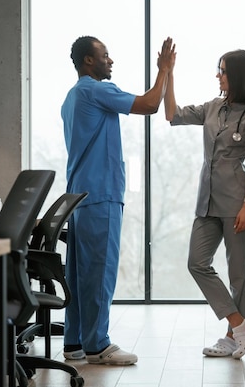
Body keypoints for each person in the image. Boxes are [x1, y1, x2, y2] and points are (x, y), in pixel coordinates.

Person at [61, 35, 176, 365]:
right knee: (100, 272)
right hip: (101, 194)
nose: (110, 61)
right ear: (88, 61)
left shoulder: (72, 97)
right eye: (105, 55)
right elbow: (150, 104)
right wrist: (164, 70)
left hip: (79, 196)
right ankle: (97, 344)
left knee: (79, 275)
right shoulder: (97, 90)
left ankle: (74, 344)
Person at [164, 49, 245, 359]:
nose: (218, 75)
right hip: (206, 201)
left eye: (222, 70)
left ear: (238, 76)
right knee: (197, 262)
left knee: (238, 275)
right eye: (218, 70)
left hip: (237, 202)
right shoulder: (213, 107)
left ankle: (233, 338)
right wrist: (168, 73)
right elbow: (173, 115)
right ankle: (239, 324)